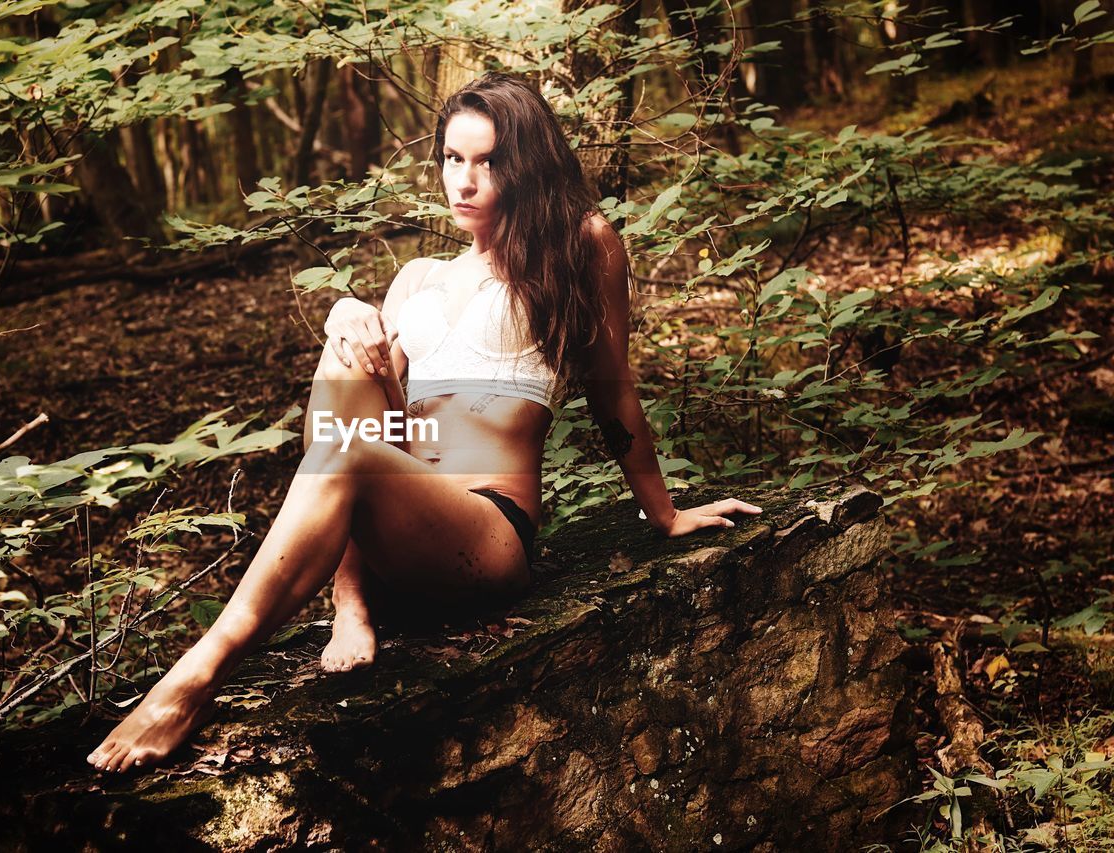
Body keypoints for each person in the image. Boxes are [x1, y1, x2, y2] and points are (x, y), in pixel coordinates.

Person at [85, 72, 762, 774]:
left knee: (351, 449)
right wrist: (346, 313)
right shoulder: (419, 277)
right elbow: (365, 410)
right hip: (398, 509)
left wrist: (664, 513)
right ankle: (351, 604)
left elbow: (612, 393)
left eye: (488, 160)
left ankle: (197, 674)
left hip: (487, 527)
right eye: (452, 158)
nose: (464, 181)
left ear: (526, 164)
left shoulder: (581, 245)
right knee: (345, 342)